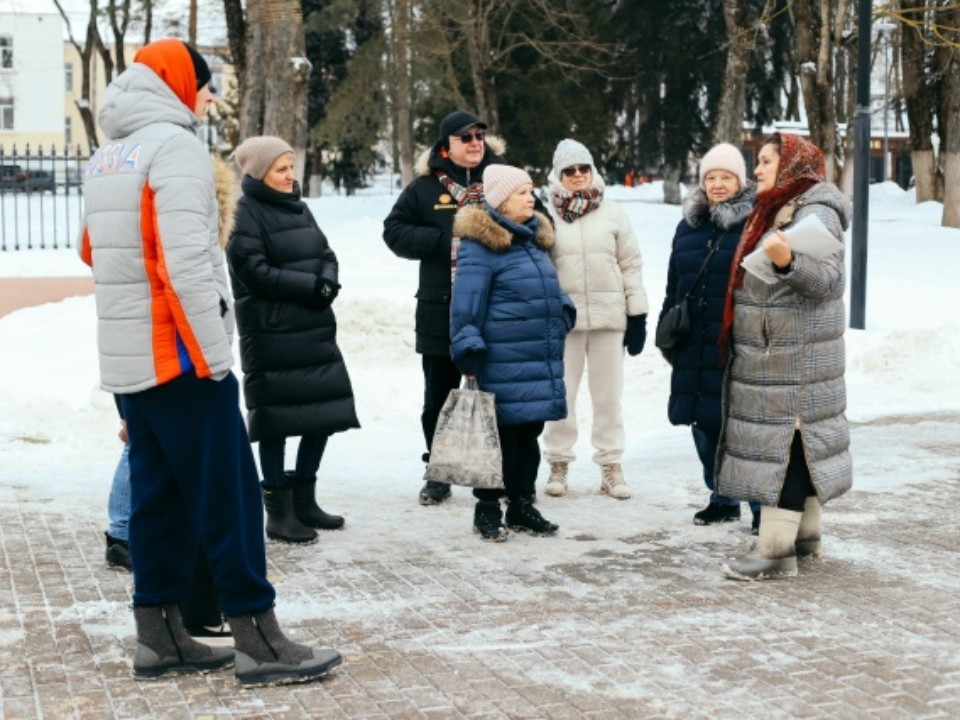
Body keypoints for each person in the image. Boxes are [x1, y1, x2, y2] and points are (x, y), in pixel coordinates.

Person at [79, 38, 341, 684]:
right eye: (201, 83)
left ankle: (159, 633)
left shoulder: (107, 156)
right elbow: (187, 265)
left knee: (157, 498)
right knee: (231, 496)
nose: (208, 96)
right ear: (174, 84)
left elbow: (92, 250)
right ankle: (258, 635)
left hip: (129, 360)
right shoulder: (177, 150)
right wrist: (217, 359)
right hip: (185, 357)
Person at [715, 132, 852, 580]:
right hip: (780, 354)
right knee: (798, 443)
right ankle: (805, 536)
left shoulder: (816, 211)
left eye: (767, 161)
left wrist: (787, 260)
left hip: (794, 358)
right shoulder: (777, 205)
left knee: (787, 447)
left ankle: (775, 552)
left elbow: (828, 280)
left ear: (793, 165)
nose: (756, 170)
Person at [227, 136, 359, 544]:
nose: (290, 175)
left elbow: (327, 254)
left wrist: (327, 283)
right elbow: (252, 269)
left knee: (323, 412)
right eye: (281, 169)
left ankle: (305, 498)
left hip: (314, 327)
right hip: (271, 332)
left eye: (291, 167)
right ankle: (278, 512)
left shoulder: (299, 207)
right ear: (258, 172)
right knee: (275, 422)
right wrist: (309, 285)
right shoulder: (244, 212)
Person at [383, 110, 505, 506]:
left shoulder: (502, 180)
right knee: (437, 397)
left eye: (479, 136)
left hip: (495, 308)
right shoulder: (424, 188)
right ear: (445, 146)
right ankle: (438, 471)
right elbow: (394, 230)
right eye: (465, 137)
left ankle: (501, 473)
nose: (474, 143)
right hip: (442, 310)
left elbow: (532, 219)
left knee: (499, 393)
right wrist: (443, 239)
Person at [450, 164, 576, 541]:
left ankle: (522, 505)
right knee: (501, 438)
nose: (531, 197)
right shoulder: (481, 244)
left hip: (538, 355)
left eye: (531, 190)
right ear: (502, 200)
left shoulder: (533, 239)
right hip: (501, 358)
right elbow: (466, 302)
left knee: (528, 435)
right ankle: (487, 508)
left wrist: (563, 306)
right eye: (523, 192)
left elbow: (547, 285)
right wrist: (467, 343)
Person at [658, 143, 761, 532]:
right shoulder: (688, 226)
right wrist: (667, 325)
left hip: (733, 340)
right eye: (711, 177)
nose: (717, 184)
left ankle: (759, 507)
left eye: (726, 177)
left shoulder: (754, 225)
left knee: (740, 427)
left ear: (740, 181)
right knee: (702, 423)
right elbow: (675, 282)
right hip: (691, 338)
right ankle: (721, 496)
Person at [541, 139, 649, 500]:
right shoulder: (546, 214)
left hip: (608, 319)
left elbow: (630, 264)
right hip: (563, 322)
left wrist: (638, 314)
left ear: (592, 170)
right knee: (561, 397)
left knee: (608, 398)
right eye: (569, 170)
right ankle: (558, 463)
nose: (577, 176)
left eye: (583, 168)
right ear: (558, 174)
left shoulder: (613, 213)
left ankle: (610, 465)